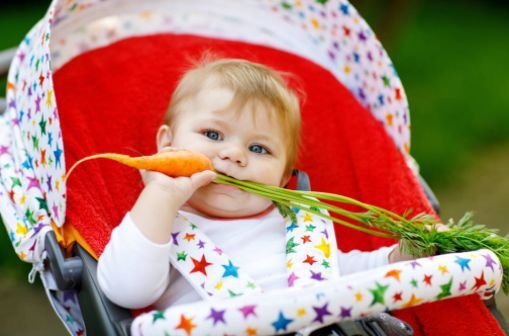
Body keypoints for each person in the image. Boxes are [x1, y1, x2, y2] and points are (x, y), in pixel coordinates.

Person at [97, 58, 411, 310]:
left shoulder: (295, 226)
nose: (234, 155)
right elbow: (127, 292)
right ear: (168, 144)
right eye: (213, 134)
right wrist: (160, 195)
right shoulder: (157, 225)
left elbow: (341, 273)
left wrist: (398, 259)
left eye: (258, 149)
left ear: (283, 176)